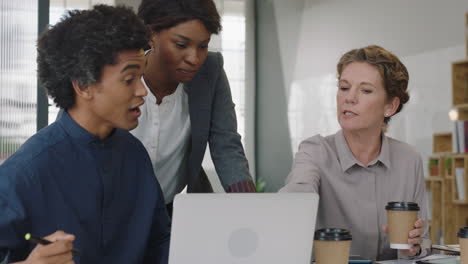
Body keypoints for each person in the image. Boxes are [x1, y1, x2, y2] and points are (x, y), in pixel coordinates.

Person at [0, 5, 170, 264]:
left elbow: (160, 242)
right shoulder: (25, 172)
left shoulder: (135, 155)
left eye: (141, 77)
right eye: (129, 80)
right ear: (84, 85)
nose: (142, 91)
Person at [280, 45, 429, 261]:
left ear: (390, 106)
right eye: (344, 87)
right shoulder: (315, 151)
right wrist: (290, 206)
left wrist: (414, 247)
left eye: (365, 90)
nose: (349, 98)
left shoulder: (408, 160)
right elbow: (297, 194)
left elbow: (423, 241)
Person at [133, 0, 256, 214]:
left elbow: (226, 144)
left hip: (169, 211)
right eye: (181, 45)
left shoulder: (211, 71)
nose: (194, 59)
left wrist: (249, 204)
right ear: (151, 34)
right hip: (112, 215)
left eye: (203, 46)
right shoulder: (118, 72)